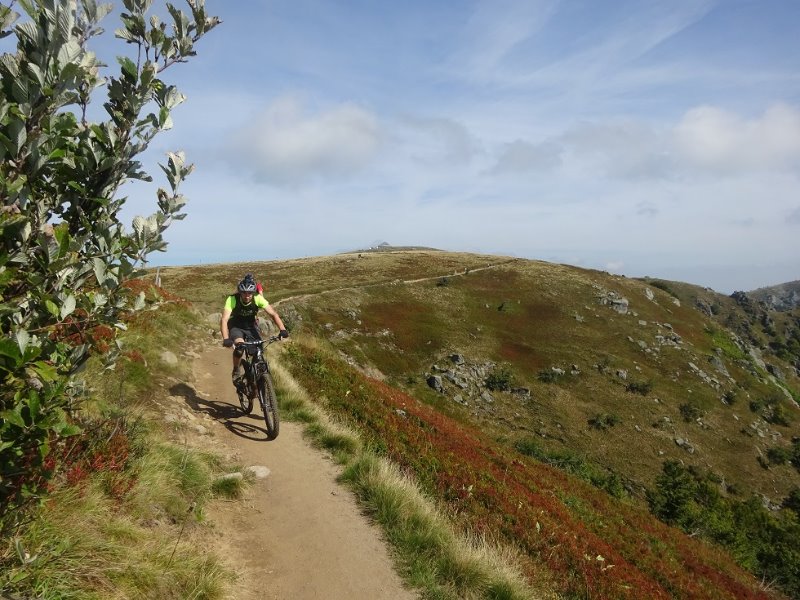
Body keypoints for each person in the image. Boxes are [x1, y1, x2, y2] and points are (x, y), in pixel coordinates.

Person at [220, 273, 288, 383]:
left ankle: (260, 379)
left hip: (250, 327)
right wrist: (226, 338)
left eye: (249, 293)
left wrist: (282, 329)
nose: (247, 296)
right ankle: (236, 369)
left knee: (258, 350)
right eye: (244, 293)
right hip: (236, 327)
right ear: (240, 292)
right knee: (240, 348)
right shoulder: (232, 299)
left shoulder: (257, 298)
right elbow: (224, 319)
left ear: (253, 292)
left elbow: (273, 314)